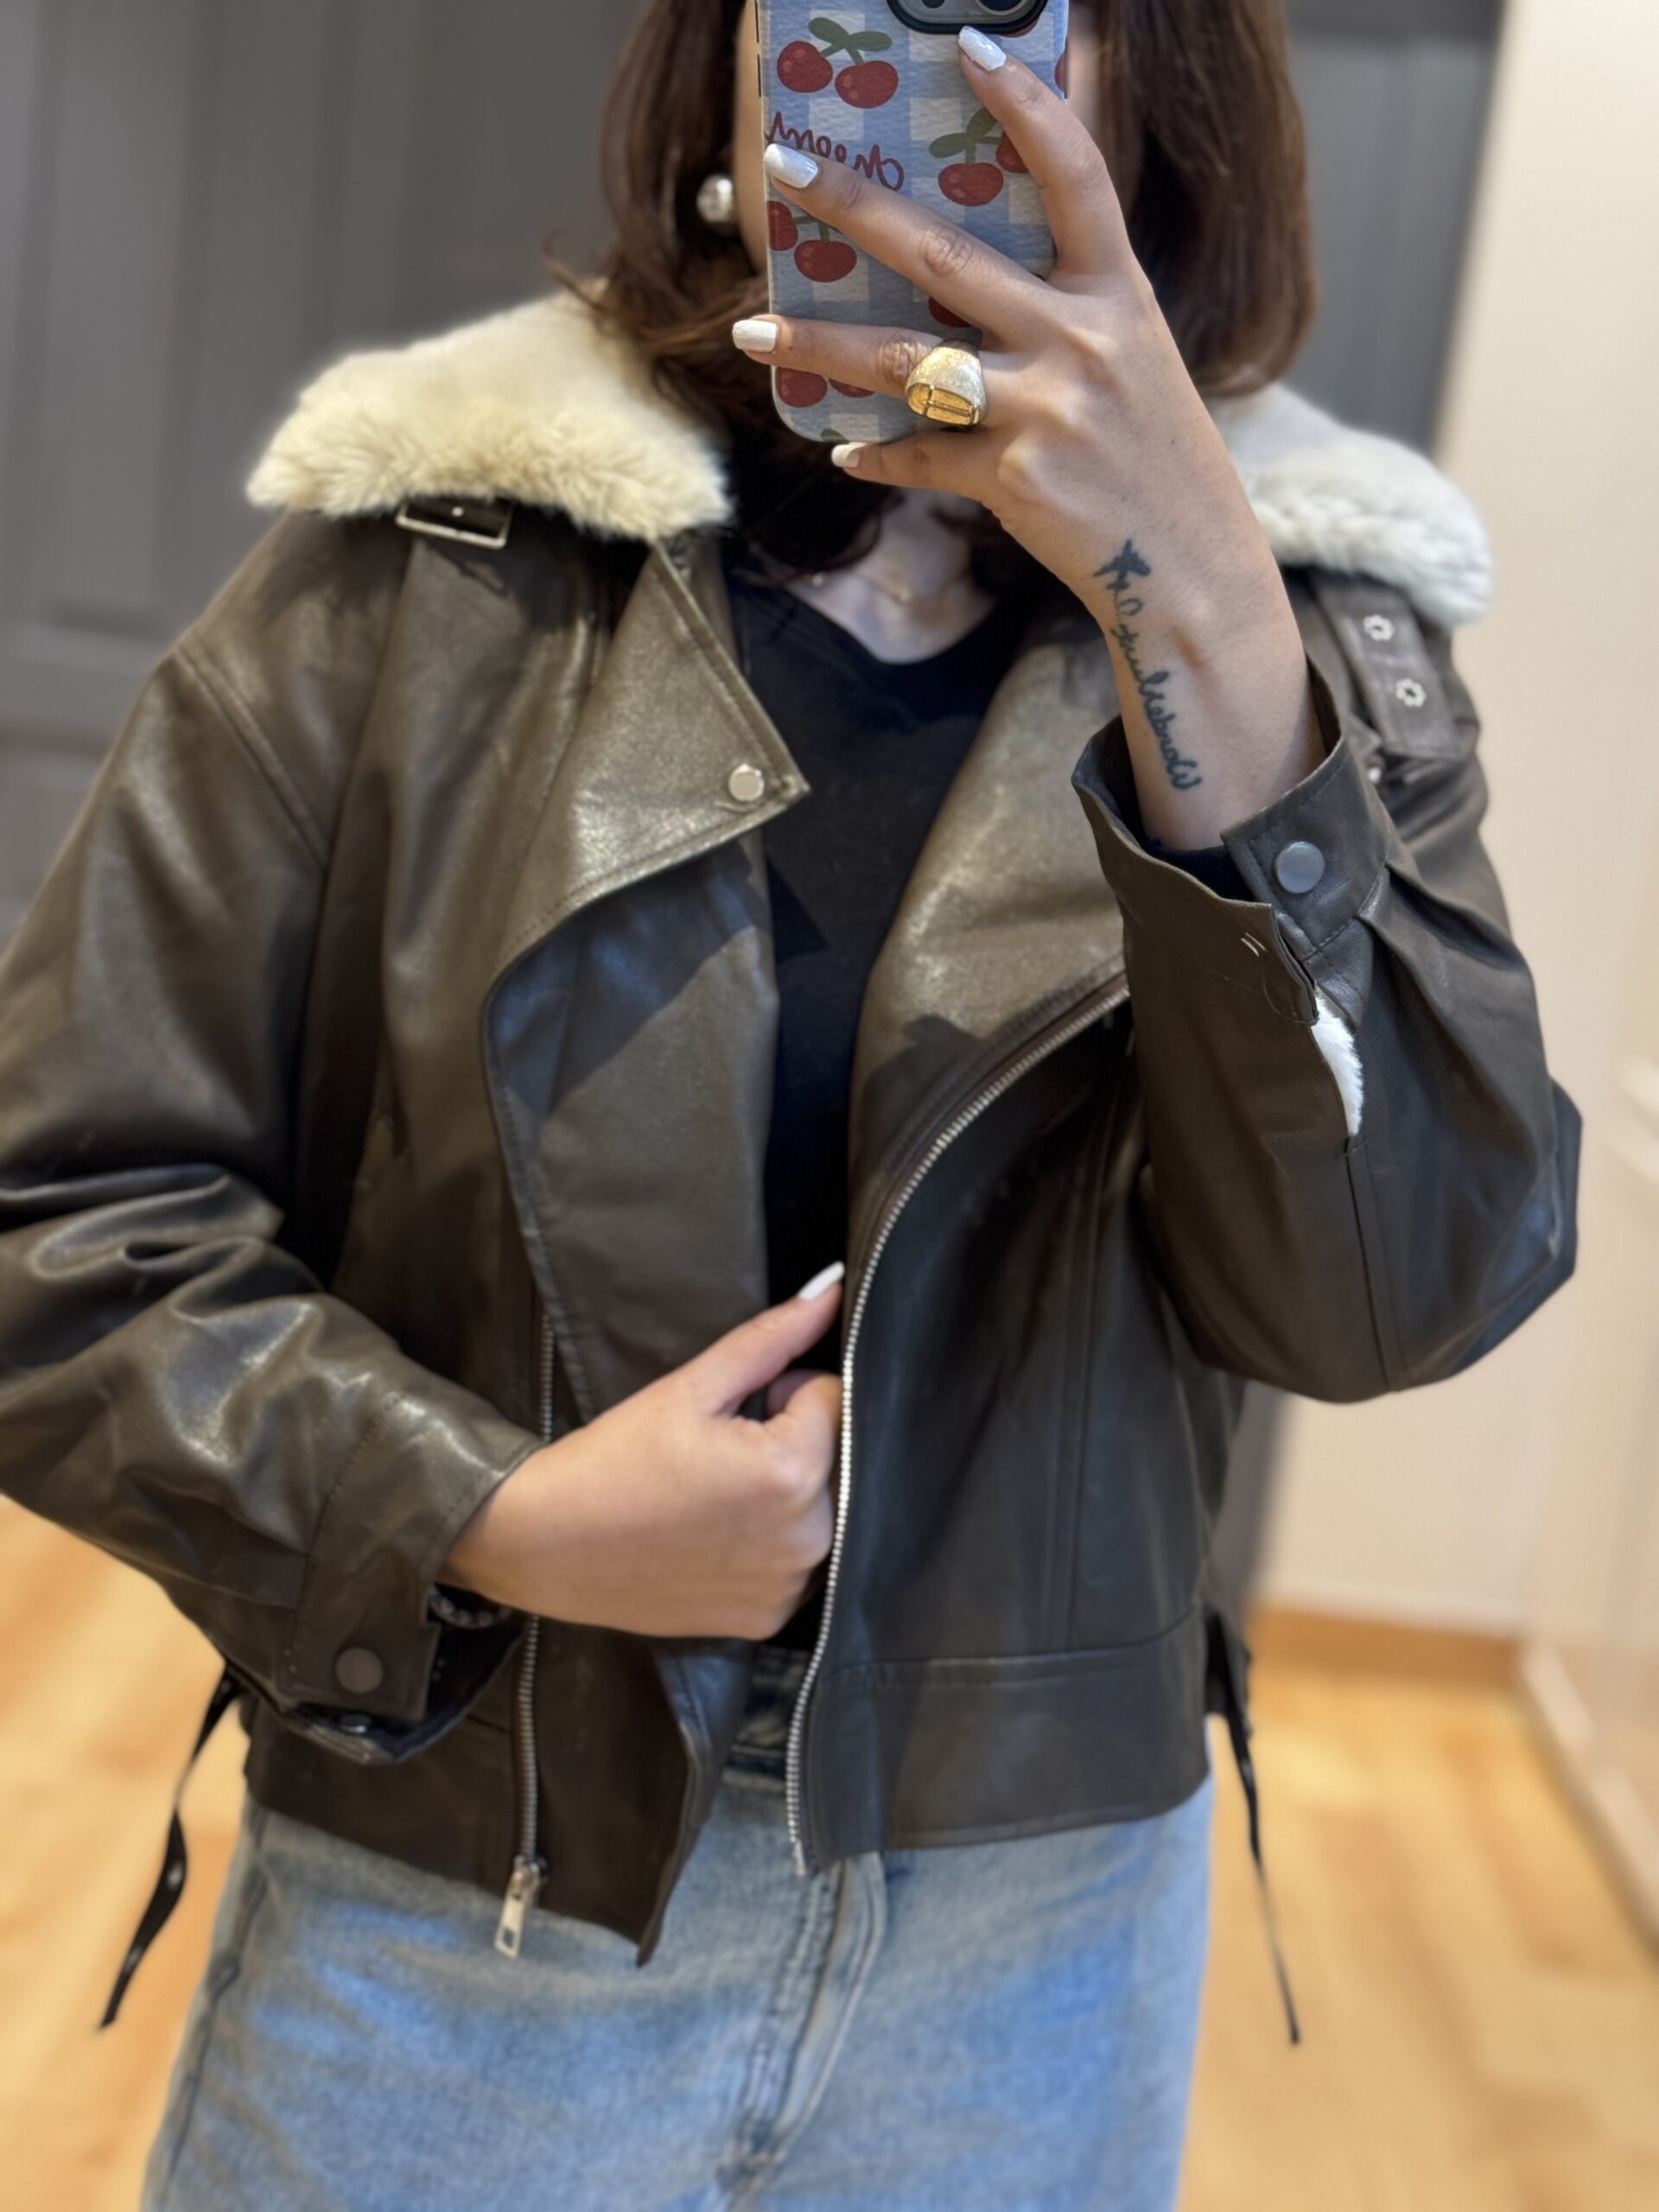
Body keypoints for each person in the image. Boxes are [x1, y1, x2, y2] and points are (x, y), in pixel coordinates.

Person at [0, 3, 1579, 2207]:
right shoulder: (433, 552)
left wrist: (1206, 607)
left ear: (1152, 77)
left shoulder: (1316, 633)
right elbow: (56, 1222)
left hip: (1037, 1950)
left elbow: (1398, 1291)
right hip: (475, 1897)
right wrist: (494, 1509)